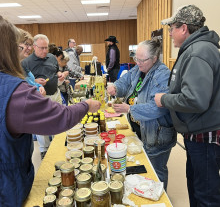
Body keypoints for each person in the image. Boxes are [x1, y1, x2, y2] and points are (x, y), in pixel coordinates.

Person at [0, 15, 101, 206]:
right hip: (6, 188)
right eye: (20, 47)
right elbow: (60, 117)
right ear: (9, 50)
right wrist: (86, 105)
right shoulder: (16, 91)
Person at [154, 5, 220, 206]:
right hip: (198, 134)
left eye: (172, 28)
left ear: (184, 28)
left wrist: (164, 99)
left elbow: (196, 100)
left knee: (205, 194)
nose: (170, 33)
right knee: (197, 187)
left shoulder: (197, 52)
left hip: (204, 137)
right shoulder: (196, 49)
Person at [107, 39, 176, 190]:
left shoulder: (162, 75)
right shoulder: (140, 68)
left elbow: (157, 108)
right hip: (141, 130)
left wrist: (130, 109)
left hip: (156, 134)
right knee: (144, 168)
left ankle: (159, 197)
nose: (137, 62)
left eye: (141, 59)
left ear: (154, 59)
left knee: (156, 172)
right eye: (135, 58)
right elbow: (125, 82)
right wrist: (115, 87)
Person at [21, 34, 66, 159]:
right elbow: (23, 80)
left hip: (55, 93)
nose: (45, 50)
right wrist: (35, 81)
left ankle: (58, 145)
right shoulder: (26, 62)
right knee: (42, 124)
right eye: (42, 48)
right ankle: (44, 150)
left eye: (46, 47)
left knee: (58, 119)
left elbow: (56, 70)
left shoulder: (51, 57)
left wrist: (60, 74)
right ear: (34, 47)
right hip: (39, 97)